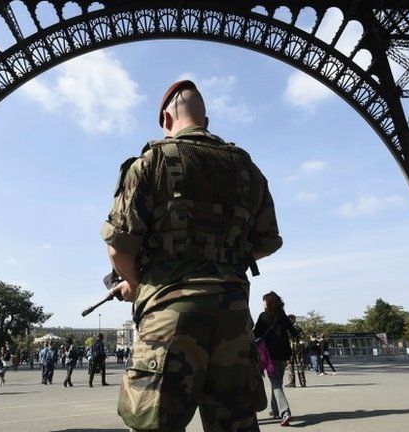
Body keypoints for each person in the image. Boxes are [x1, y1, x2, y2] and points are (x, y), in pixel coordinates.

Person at [102, 79, 282, 431]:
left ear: (166, 120)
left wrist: (139, 285)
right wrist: (226, 258)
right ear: (207, 121)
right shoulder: (248, 169)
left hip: (169, 317)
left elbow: (117, 247)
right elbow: (268, 240)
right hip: (232, 317)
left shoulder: (150, 163)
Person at [254, 292, 301, 426]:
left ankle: (285, 412)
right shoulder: (283, 316)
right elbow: (294, 333)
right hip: (284, 354)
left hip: (269, 355)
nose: (262, 303)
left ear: (268, 302)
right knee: (277, 381)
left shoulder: (263, 316)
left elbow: (256, 333)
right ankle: (275, 410)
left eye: (264, 301)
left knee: (275, 383)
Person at [285, 314, 305, 388]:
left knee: (290, 365)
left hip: (289, 348)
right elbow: (302, 337)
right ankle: (303, 382)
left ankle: (292, 382)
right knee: (299, 365)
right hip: (297, 347)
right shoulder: (298, 328)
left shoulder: (285, 328)